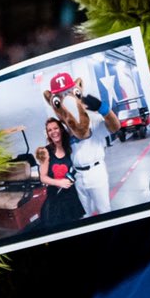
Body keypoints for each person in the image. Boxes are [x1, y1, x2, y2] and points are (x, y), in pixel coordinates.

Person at [43, 71, 121, 218]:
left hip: (96, 172)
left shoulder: (94, 120)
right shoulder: (61, 130)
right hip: (76, 175)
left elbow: (115, 127)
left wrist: (103, 109)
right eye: (60, 96)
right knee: (84, 214)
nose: (66, 99)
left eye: (68, 93)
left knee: (104, 211)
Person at [32, 117, 85, 231]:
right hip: (56, 199)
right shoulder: (45, 151)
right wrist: (59, 182)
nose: (53, 132)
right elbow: (43, 177)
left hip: (72, 197)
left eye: (55, 128)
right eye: (49, 130)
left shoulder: (69, 148)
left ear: (61, 129)